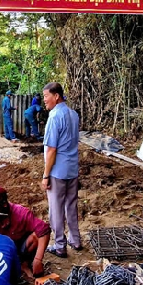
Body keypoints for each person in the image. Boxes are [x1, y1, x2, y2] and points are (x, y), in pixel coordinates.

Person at [40, 82, 82, 258]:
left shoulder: (54, 116)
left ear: (56, 96)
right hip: (72, 168)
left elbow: (51, 149)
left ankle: (59, 246)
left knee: (56, 208)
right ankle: (76, 240)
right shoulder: (73, 114)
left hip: (57, 171)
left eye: (46, 96)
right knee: (71, 205)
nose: (44, 101)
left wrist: (45, 175)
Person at [0, 186, 49, 279]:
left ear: (4, 204)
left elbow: (44, 229)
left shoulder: (20, 213)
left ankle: (24, 264)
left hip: (20, 247)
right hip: (2, 251)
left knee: (35, 237)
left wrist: (38, 260)